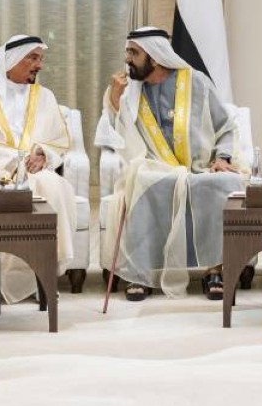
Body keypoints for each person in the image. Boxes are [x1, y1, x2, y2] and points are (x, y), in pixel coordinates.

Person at [96, 27, 244, 300]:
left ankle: (215, 269)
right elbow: (115, 137)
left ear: (155, 56)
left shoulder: (197, 82)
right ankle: (140, 274)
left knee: (227, 182)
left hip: (199, 167)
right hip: (154, 168)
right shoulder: (128, 91)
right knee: (142, 181)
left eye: (134, 53)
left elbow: (225, 127)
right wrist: (114, 100)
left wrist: (222, 158)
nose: (127, 59)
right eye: (128, 52)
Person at [0, 34, 78, 302]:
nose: (39, 65)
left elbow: (58, 141)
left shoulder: (44, 96)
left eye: (41, 59)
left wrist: (43, 154)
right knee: (11, 188)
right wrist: (16, 159)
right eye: (33, 58)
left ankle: (43, 273)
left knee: (53, 186)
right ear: (11, 59)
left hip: (32, 170)